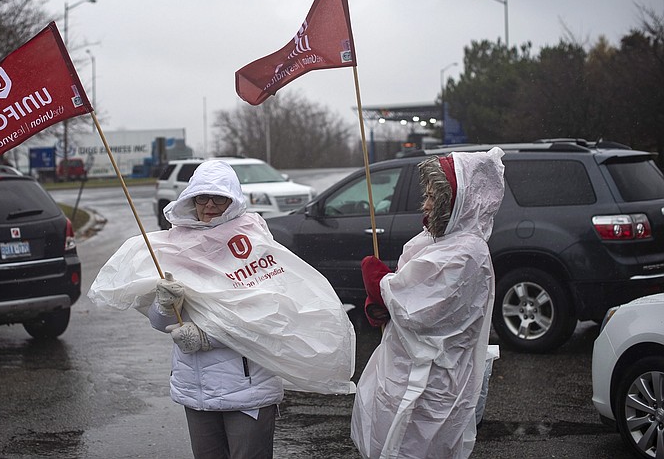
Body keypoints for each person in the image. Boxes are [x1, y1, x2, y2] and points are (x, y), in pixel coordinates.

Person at [88, 160, 355, 459]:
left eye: (219, 198)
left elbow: (269, 315)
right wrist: (165, 305)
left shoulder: (252, 241)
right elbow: (161, 323)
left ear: (233, 201)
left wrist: (207, 337)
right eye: (202, 197)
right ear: (190, 199)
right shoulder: (174, 246)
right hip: (195, 389)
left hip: (247, 389)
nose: (210, 205)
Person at [350, 147, 505, 459]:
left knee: (418, 446)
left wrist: (381, 285)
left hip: (432, 382)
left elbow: (418, 311)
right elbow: (413, 299)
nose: (426, 203)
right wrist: (383, 307)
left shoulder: (465, 253)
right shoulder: (440, 241)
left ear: (455, 203)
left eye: (434, 196)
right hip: (410, 371)